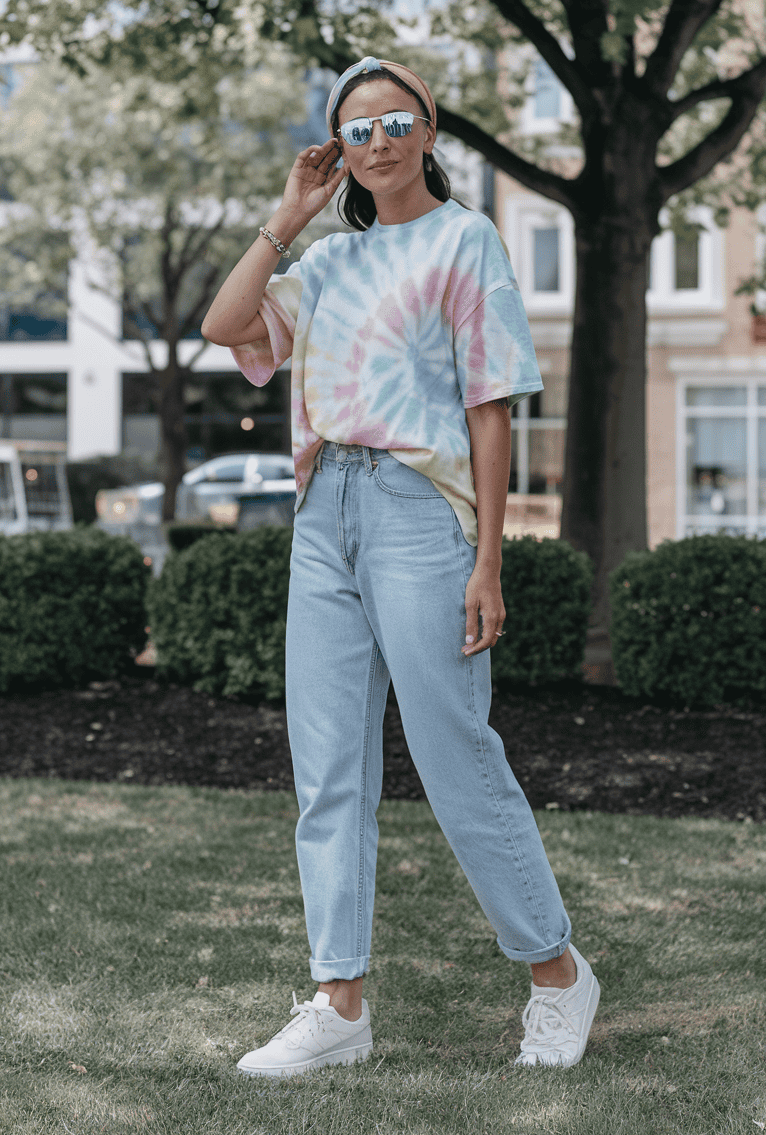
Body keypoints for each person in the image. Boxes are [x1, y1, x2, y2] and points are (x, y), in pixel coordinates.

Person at [201, 55, 600, 1077]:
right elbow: (224, 325)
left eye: (392, 122)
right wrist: (289, 213)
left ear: (429, 130)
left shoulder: (467, 241)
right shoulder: (327, 262)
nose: (374, 141)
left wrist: (489, 559)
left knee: (453, 751)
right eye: (355, 128)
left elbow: (490, 402)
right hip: (323, 508)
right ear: (338, 149)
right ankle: (339, 1002)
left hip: (423, 511)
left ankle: (556, 972)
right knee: (327, 769)